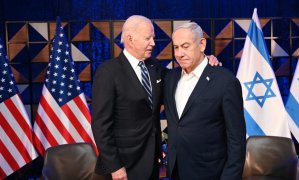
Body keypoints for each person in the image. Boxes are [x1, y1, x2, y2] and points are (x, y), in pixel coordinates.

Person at [92, 15, 220, 180]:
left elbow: (180, 76)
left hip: (152, 163)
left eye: (153, 37)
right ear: (130, 39)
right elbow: (101, 125)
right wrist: (115, 167)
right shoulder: (108, 72)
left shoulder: (154, 67)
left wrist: (204, 61)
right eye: (148, 38)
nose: (153, 42)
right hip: (122, 167)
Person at [163, 22, 246, 180]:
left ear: (202, 44)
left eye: (185, 46)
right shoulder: (170, 78)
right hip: (175, 171)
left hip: (210, 173)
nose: (179, 53)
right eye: (176, 47)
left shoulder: (226, 81)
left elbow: (237, 141)